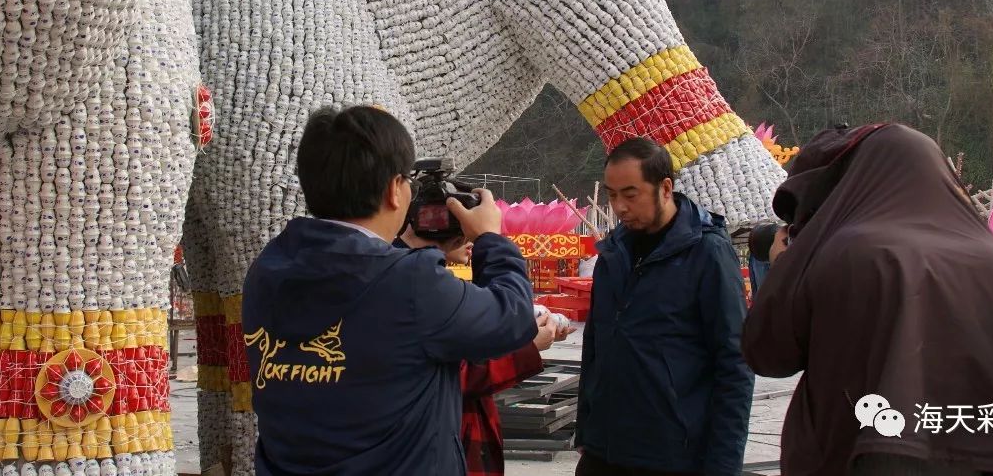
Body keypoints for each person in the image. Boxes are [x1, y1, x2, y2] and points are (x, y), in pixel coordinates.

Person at [241, 105, 538, 476]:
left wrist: (417, 258)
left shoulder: (267, 270)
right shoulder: (411, 285)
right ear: (394, 191)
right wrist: (491, 239)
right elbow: (512, 316)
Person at [742, 123, 993, 476]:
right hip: (984, 456)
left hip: (856, 453)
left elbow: (768, 352)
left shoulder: (846, 251)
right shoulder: (991, 257)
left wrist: (783, 267)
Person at [575, 137, 754, 476]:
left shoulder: (707, 253)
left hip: (671, 452)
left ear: (665, 187)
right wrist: (586, 426)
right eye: (612, 195)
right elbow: (595, 347)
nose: (620, 207)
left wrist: (723, 465)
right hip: (604, 450)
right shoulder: (612, 256)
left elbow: (734, 363)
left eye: (631, 194)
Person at [397, 233, 574, 475]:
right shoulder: (418, 292)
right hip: (443, 446)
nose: (472, 241)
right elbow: (457, 375)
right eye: (462, 229)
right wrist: (528, 347)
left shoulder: (420, 284)